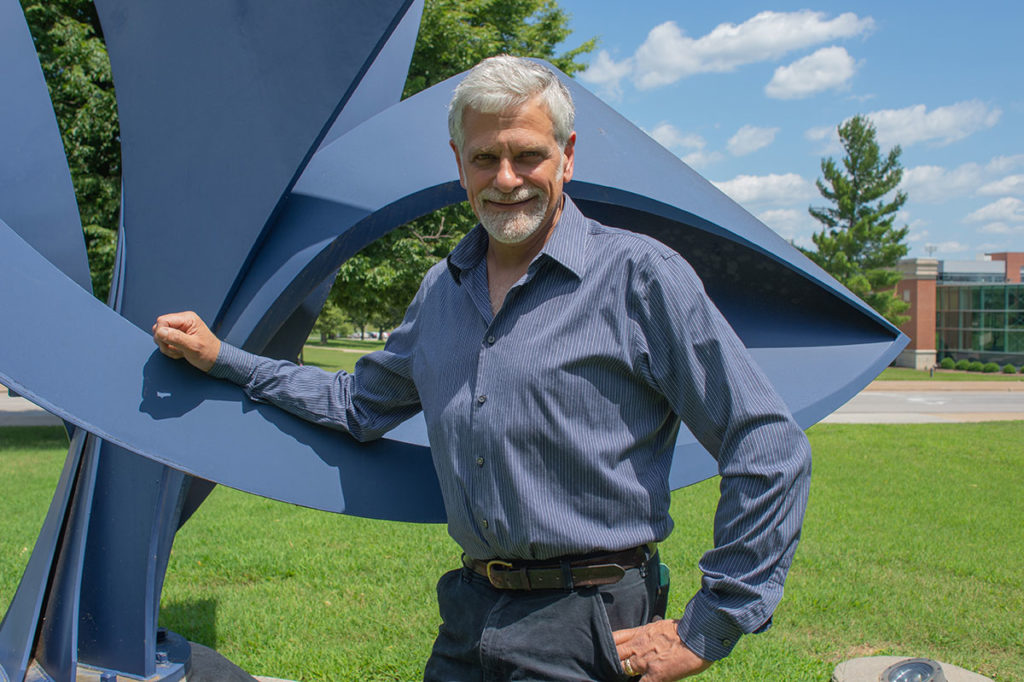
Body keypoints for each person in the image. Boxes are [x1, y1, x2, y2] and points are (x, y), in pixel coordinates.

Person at [154, 55, 811, 681]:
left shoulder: (641, 279)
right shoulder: (442, 290)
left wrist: (711, 624)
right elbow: (359, 405)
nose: (506, 179)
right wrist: (224, 360)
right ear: (459, 165)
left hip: (592, 621)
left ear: (568, 156)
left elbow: (769, 446)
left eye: (528, 155)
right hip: (469, 613)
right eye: (485, 158)